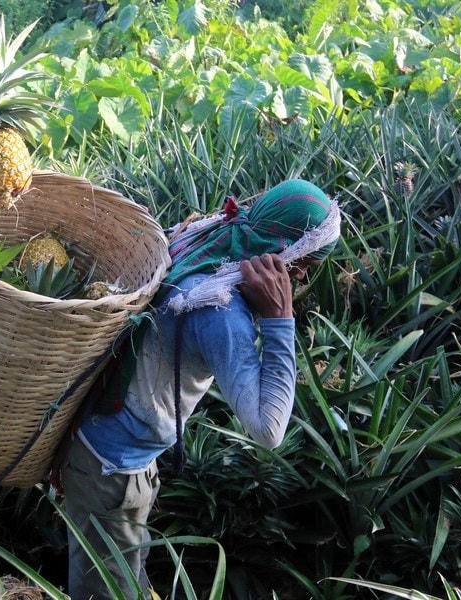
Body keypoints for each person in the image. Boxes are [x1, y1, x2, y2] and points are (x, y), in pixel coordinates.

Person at [60, 180, 342, 599]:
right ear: (292, 258)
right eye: (306, 264)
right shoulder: (219, 309)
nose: (300, 275)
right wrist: (280, 319)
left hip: (105, 442)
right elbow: (269, 430)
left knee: (121, 572)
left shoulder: (206, 236)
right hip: (110, 468)